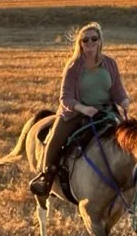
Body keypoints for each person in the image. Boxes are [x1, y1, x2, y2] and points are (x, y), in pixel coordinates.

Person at [29, 22, 131, 196]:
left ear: (100, 41)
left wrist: (124, 99)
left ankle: (133, 179)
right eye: (85, 40)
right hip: (75, 113)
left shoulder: (110, 64)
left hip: (105, 112)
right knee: (54, 141)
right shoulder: (74, 66)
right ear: (80, 43)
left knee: (130, 140)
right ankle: (46, 177)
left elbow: (117, 89)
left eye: (94, 39)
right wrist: (83, 109)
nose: (89, 43)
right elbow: (65, 97)